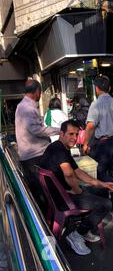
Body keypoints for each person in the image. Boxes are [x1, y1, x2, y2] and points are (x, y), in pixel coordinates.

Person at [39, 119, 113, 256]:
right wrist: (77, 190)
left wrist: (101, 184)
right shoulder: (58, 150)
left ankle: (86, 228)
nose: (74, 138)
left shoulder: (60, 148)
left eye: (76, 134)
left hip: (62, 193)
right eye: (70, 134)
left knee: (102, 191)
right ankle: (77, 234)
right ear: (61, 134)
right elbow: (69, 174)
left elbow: (78, 172)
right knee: (106, 204)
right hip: (63, 198)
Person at [83, 75, 113, 214]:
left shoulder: (96, 104)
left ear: (97, 89)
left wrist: (85, 143)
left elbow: (91, 125)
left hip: (104, 143)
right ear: (109, 88)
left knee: (100, 171)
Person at [15, 79, 60, 210]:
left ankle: (48, 218)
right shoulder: (27, 108)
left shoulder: (24, 106)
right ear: (37, 91)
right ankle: (49, 222)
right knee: (44, 193)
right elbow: (37, 130)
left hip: (31, 156)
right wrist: (59, 129)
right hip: (34, 157)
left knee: (41, 193)